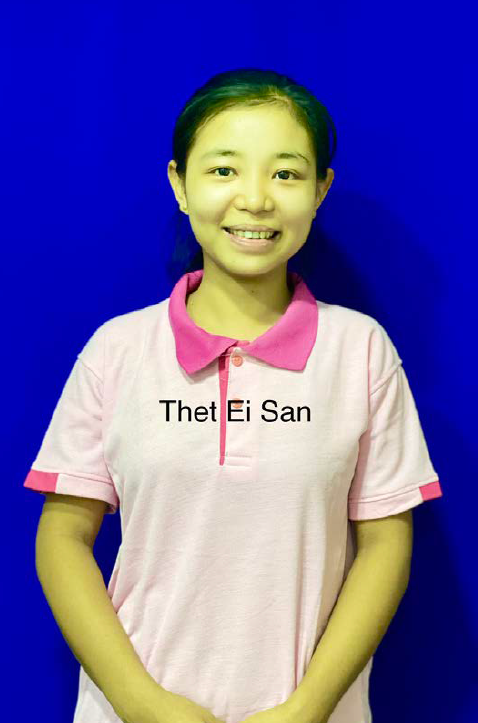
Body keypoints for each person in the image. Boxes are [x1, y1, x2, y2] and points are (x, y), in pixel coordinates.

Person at [24, 67, 443, 723]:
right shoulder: (117, 349)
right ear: (179, 184)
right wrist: (143, 704)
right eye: (223, 170)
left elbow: (386, 545)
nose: (254, 199)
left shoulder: (360, 350)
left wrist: (307, 708)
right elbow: (62, 538)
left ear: (320, 190)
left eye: (286, 174)